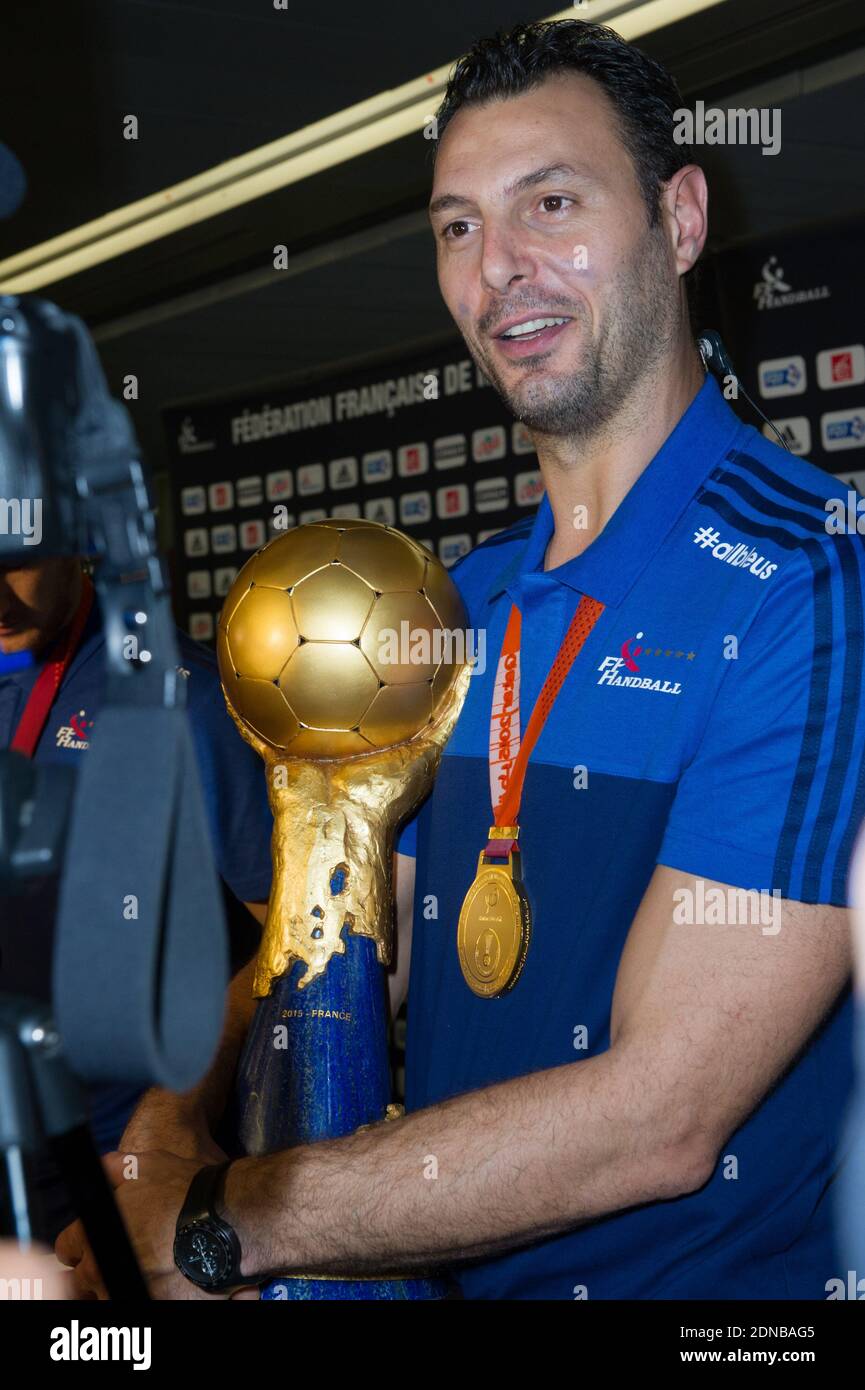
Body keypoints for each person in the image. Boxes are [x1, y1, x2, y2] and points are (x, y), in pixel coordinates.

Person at [58, 19, 865, 1300]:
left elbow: (663, 1118)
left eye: (550, 202)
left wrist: (231, 1216)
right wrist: (166, 1119)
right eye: (456, 227)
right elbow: (340, 935)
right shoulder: (455, 604)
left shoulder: (811, 587)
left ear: (681, 218)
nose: (500, 272)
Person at [0, 554, 273, 1241]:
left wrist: (176, 1116)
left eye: (13, 558)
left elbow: (291, 934)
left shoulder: (181, 700)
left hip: (103, 1177)